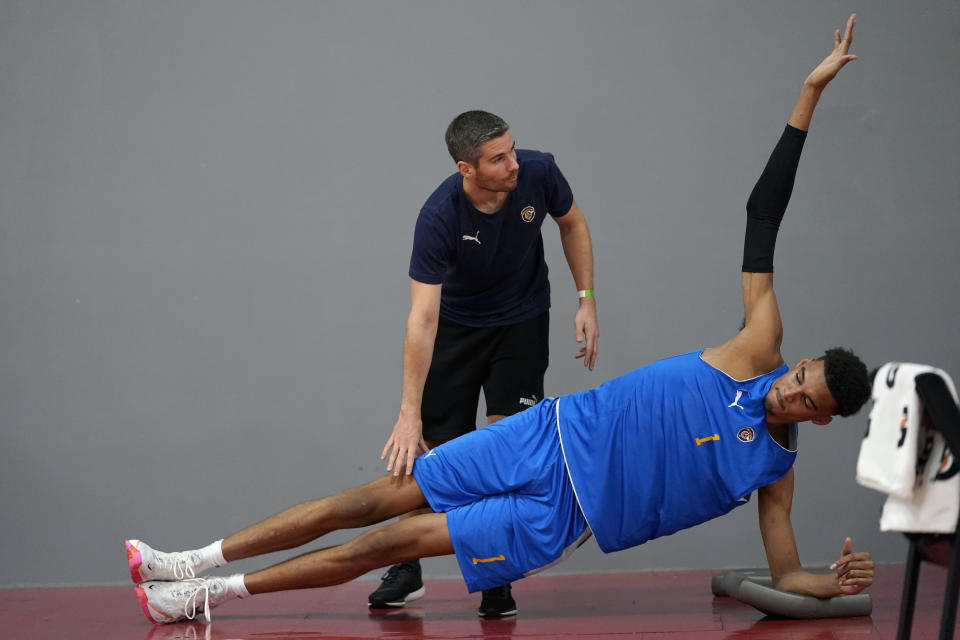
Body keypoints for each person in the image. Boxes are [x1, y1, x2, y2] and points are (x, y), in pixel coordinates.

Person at [126, 14, 875, 626]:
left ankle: (203, 599)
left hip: (559, 515)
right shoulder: (756, 350)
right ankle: (193, 559)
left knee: (387, 541)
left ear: (824, 420)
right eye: (801, 377)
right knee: (367, 500)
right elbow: (762, 215)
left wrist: (830, 584)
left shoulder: (774, 470)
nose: (792, 393)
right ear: (798, 360)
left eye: (809, 402)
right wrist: (808, 95)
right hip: (548, 434)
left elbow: (786, 571)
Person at [374, 105, 599, 617]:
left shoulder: (539, 172)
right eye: (498, 159)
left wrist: (585, 298)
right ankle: (407, 565)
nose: (513, 163)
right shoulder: (439, 217)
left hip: (521, 321)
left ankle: (497, 570)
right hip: (455, 328)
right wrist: (408, 412)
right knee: (431, 453)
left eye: (512, 149)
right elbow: (422, 319)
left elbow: (573, 223)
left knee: (506, 448)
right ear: (467, 169)